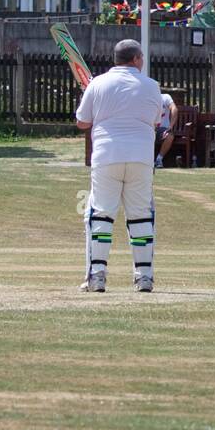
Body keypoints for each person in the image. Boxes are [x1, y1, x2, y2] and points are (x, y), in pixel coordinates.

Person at [75, 39, 164, 293]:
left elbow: (82, 122)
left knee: (101, 214)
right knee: (141, 216)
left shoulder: (97, 84)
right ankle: (144, 277)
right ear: (135, 59)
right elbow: (156, 121)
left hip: (106, 156)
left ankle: (97, 275)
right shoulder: (152, 87)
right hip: (141, 158)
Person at [155, 92, 177, 168]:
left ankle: (159, 159)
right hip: (149, 128)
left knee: (169, 136)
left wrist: (170, 126)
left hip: (163, 129)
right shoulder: (146, 97)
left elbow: (174, 109)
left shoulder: (165, 97)